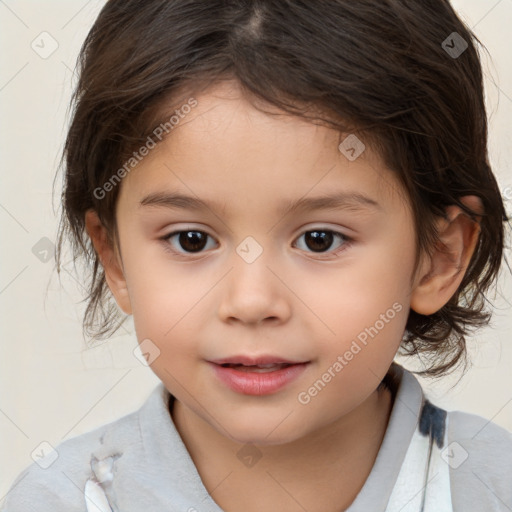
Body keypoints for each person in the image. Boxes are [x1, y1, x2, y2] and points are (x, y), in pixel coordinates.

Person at [2, 1, 511, 511]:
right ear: (115, 258)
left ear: (438, 257)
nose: (251, 301)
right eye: (191, 240)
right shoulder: (60, 499)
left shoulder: (494, 487)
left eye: (320, 239)